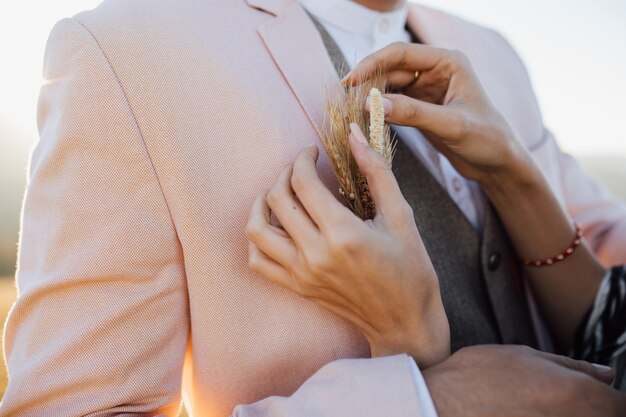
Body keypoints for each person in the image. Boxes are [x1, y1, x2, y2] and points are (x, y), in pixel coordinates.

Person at [1, 0, 625, 415]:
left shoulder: (492, 53)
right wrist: (419, 401)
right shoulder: (126, 48)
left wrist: (516, 177)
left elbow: (605, 250)